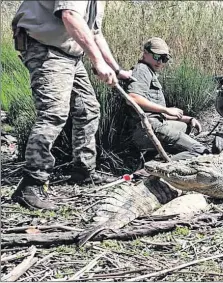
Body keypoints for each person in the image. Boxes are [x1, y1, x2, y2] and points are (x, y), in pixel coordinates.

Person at [10, 1, 134, 211]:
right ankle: (31, 184)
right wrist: (97, 62)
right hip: (45, 49)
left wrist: (116, 69)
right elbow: (69, 16)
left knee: (88, 109)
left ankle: (83, 171)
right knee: (54, 114)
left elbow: (94, 34)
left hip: (70, 56)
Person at [125, 37, 209, 158]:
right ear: (145, 53)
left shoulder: (149, 71)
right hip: (147, 128)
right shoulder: (142, 70)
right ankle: (158, 167)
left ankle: (156, 157)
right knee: (201, 152)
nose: (160, 62)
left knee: (185, 127)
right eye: (156, 56)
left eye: (164, 58)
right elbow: (132, 98)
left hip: (156, 124)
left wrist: (188, 119)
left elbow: (155, 112)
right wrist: (166, 109)